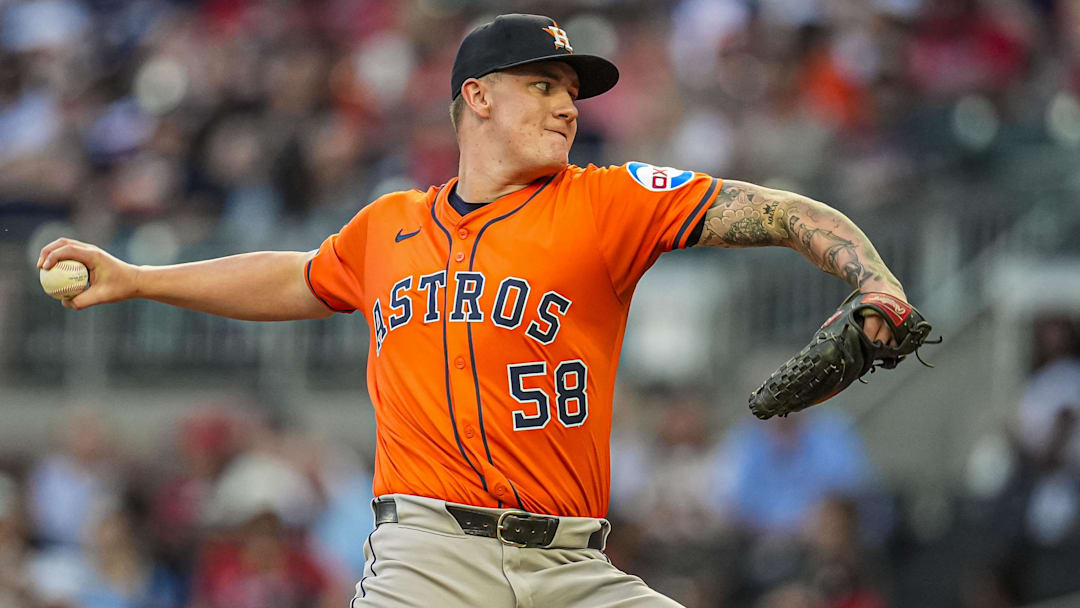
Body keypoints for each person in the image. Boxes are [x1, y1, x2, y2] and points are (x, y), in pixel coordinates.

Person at [37, 14, 909, 607]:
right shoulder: (390, 226)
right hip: (431, 557)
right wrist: (140, 277)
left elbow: (774, 209)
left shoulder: (604, 203)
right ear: (479, 95)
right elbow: (295, 276)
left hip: (574, 563)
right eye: (544, 84)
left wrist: (871, 276)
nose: (569, 103)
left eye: (574, 89)